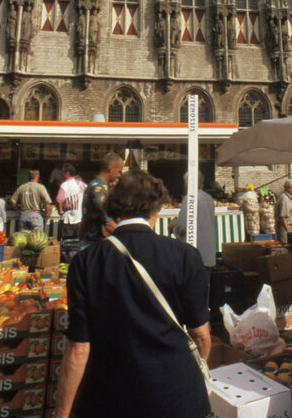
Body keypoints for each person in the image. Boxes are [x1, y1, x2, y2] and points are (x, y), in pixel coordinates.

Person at [54, 170, 211, 418]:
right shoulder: (184, 256)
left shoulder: (86, 262)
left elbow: (78, 349)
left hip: (110, 399)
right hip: (178, 396)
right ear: (156, 208)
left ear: (114, 207)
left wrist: (61, 413)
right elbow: (200, 334)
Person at [172, 171, 216, 267]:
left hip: (194, 253)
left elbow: (182, 227)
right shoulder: (209, 198)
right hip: (208, 251)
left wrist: (173, 227)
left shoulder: (190, 198)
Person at [81, 152, 123, 245]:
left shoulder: (96, 185)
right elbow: (108, 221)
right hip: (93, 244)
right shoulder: (99, 188)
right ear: (110, 168)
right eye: (119, 171)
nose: (119, 175)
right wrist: (124, 239)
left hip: (90, 242)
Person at [56, 163, 87, 240]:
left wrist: (60, 210)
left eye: (62, 172)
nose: (61, 174)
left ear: (67, 173)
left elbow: (59, 200)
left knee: (67, 243)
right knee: (78, 242)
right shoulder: (81, 183)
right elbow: (89, 192)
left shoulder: (64, 185)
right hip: (78, 219)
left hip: (67, 220)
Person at [276, 178, 292, 243]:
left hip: (288, 227)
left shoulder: (287, 198)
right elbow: (283, 217)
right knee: (285, 245)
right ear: (289, 189)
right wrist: (288, 230)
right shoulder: (284, 199)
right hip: (285, 228)